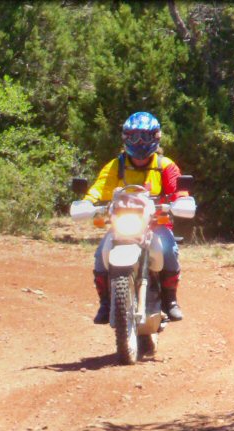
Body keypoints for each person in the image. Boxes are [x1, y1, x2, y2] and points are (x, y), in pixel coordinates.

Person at [81, 111, 188, 324]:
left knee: (167, 250)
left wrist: (182, 201)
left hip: (156, 224)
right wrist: (87, 202)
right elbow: (101, 185)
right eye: (134, 137)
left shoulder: (164, 165)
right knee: (101, 255)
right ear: (125, 138)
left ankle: (170, 301)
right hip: (123, 225)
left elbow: (179, 190)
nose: (139, 142)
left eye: (145, 137)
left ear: (156, 138)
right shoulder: (116, 165)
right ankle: (105, 303)